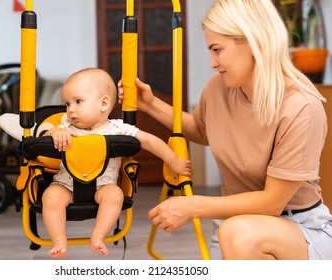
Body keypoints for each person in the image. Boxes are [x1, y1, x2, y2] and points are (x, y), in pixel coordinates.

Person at [118, 0, 332, 260]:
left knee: (238, 233)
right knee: (235, 232)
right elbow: (201, 130)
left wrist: (193, 206)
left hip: (298, 229)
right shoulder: (218, 88)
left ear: (254, 41)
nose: (212, 62)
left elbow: (272, 202)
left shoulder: (301, 106)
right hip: (236, 227)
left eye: (217, 49)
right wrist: (150, 104)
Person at [42, 67, 192, 258]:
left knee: (115, 195)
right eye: (67, 103)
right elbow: (45, 137)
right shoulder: (65, 125)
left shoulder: (118, 129)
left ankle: (98, 236)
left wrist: (174, 161)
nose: (71, 109)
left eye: (78, 101)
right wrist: (54, 133)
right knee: (51, 196)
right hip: (66, 186)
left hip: (103, 188)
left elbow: (149, 141)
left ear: (104, 103)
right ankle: (59, 240)